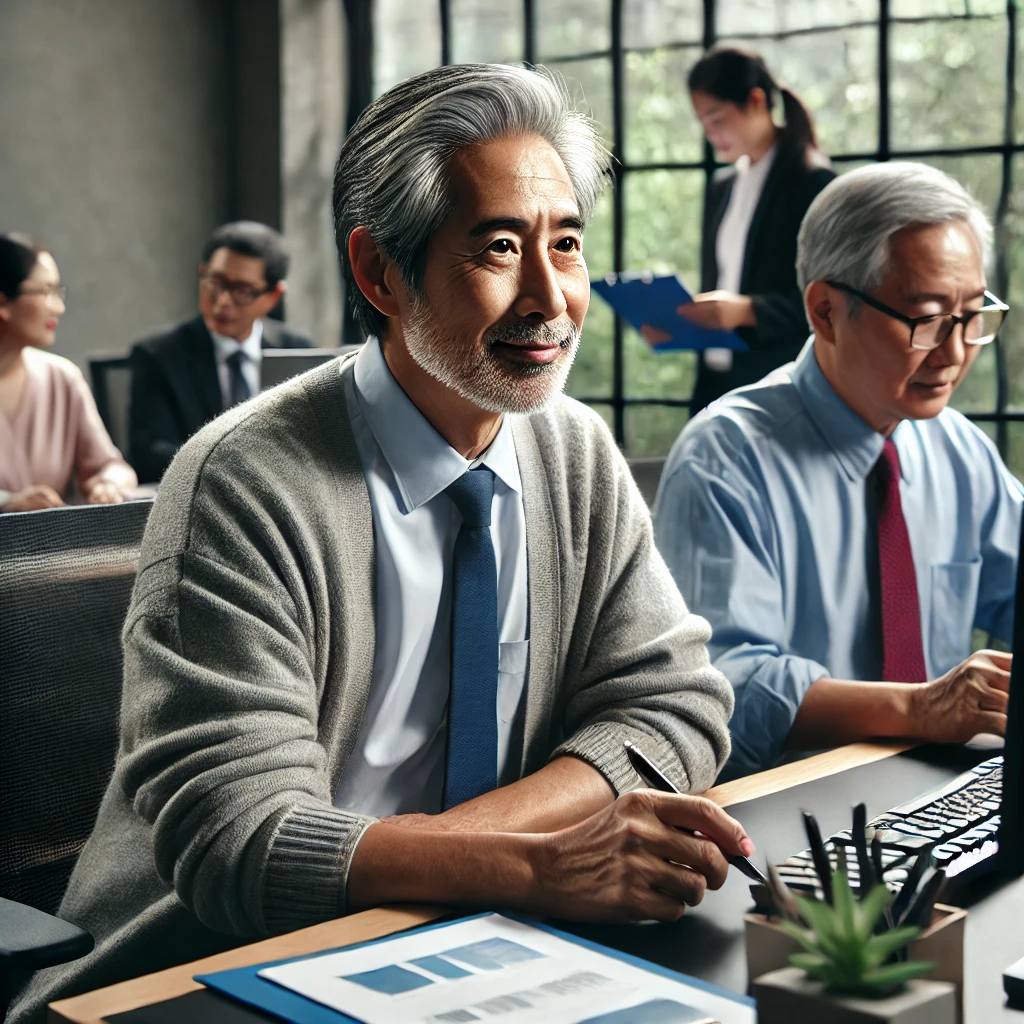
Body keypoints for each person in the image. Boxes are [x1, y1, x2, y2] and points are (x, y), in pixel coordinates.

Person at [12, 64, 751, 1022]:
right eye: (497, 248)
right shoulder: (244, 480)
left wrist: (477, 856)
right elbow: (242, 836)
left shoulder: (572, 448)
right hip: (203, 966)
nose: (550, 297)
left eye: (564, 245)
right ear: (378, 273)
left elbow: (675, 706)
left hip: (471, 938)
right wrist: (530, 863)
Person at [654, 161, 1022, 779]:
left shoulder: (959, 449)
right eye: (927, 319)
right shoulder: (725, 458)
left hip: (939, 784)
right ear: (825, 311)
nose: (956, 353)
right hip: (784, 813)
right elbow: (721, 687)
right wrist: (921, 708)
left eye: (971, 317)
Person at [645, 47, 835, 414]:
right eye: (703, 123)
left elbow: (831, 301)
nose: (711, 135)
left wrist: (746, 311)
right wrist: (679, 325)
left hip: (779, 382)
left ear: (756, 101)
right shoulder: (723, 187)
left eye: (717, 119)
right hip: (716, 381)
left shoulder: (812, 183)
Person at [127, 220, 313, 483]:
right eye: (215, 282)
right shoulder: (158, 355)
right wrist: (236, 470)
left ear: (272, 296)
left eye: (242, 291)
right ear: (202, 272)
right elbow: (149, 453)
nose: (222, 301)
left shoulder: (297, 350)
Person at [0, 234, 136, 512]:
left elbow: (109, 465)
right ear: (2, 302)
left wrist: (107, 484)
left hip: (54, 551)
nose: (59, 307)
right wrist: (6, 504)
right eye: (45, 291)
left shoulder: (61, 377)